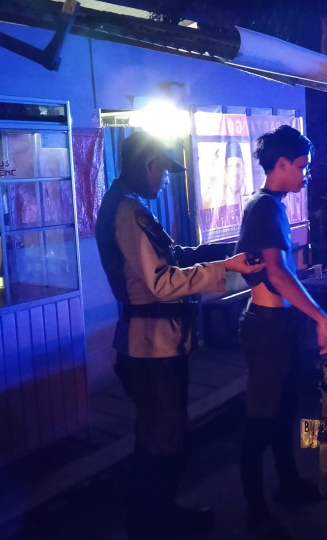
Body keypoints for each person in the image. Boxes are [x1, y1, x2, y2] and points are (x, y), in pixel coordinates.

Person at [95, 130, 264, 540]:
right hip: (151, 347)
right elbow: (161, 282)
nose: (164, 181)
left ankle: (156, 516)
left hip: (154, 343)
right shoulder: (128, 213)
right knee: (163, 438)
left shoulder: (125, 205)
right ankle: (153, 524)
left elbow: (172, 257)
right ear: (149, 163)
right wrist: (225, 268)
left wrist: (223, 252)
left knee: (158, 435)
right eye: (163, 172)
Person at [235, 125, 327, 535]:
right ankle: (255, 508)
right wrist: (319, 316)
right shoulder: (265, 207)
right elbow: (277, 273)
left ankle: (289, 484)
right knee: (261, 418)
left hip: (276, 323)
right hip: (267, 326)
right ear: (280, 165)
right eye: (301, 166)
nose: (305, 174)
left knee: (283, 411)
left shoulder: (268, 205)